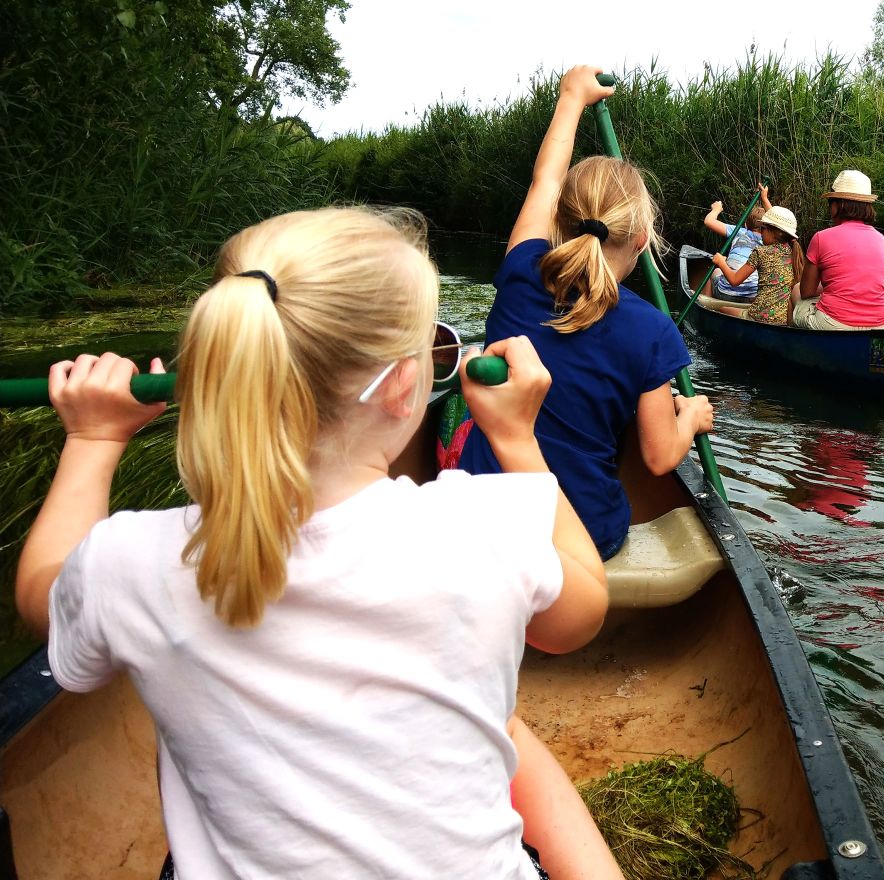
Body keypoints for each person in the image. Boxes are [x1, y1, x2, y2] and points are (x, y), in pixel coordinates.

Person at [14, 205, 619, 880]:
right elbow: (579, 615)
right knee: (510, 737)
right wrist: (516, 439)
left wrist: (92, 440)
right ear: (401, 386)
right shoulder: (481, 520)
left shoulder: (129, 561)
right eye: (433, 346)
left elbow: (43, 592)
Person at [458, 65, 714, 561]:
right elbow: (660, 457)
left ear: (560, 220)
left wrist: (572, 97)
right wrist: (692, 418)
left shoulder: (519, 272)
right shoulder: (653, 329)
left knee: (458, 414)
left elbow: (545, 180)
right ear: (641, 241)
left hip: (482, 524)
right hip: (583, 537)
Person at [793, 169, 884, 331]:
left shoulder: (821, 237)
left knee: (796, 291)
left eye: (831, 203)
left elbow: (806, 291)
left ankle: (790, 344)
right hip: (883, 325)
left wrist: (828, 286)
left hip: (834, 323)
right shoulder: (880, 238)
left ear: (837, 205)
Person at [710, 205, 804, 325]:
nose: (761, 232)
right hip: (784, 319)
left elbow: (734, 280)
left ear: (774, 232)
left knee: (721, 310)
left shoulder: (760, 252)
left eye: (763, 228)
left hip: (759, 318)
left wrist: (721, 262)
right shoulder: (794, 252)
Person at [699, 183, 772, 304]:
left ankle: (706, 305)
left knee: (715, 272)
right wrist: (765, 197)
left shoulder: (738, 231)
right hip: (753, 297)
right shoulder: (770, 241)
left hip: (725, 293)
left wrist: (716, 209)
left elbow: (708, 221)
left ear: (745, 225)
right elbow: (775, 222)